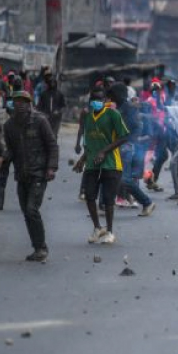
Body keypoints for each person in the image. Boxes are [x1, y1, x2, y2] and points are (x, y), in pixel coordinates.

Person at [0, 91, 58, 261]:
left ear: (29, 103)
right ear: (13, 104)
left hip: (39, 173)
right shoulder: (9, 126)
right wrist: (2, 159)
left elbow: (52, 145)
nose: (21, 104)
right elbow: (10, 150)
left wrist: (51, 167)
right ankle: (37, 247)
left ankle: (41, 248)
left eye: (24, 101)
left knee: (31, 209)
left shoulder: (40, 121)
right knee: (26, 212)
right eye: (17, 101)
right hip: (22, 175)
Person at [74, 87, 129, 244]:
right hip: (92, 163)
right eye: (93, 100)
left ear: (105, 100)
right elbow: (90, 142)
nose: (96, 102)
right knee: (90, 196)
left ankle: (110, 231)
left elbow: (124, 137)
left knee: (108, 199)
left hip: (111, 164)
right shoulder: (88, 117)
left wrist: (104, 152)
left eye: (99, 99)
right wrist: (82, 160)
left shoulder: (113, 114)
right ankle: (97, 227)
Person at [107, 85, 156, 217]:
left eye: (111, 95)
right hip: (118, 146)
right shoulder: (119, 108)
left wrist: (129, 142)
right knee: (112, 176)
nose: (110, 98)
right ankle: (105, 205)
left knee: (125, 179)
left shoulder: (128, 108)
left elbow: (136, 127)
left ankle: (147, 202)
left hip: (126, 147)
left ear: (118, 95)